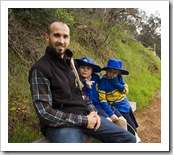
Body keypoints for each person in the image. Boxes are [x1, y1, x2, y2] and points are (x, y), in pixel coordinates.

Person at [28, 21, 136, 143]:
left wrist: (93, 112)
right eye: (56, 35)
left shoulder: (71, 63)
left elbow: (82, 93)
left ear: (69, 39)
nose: (61, 41)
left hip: (86, 115)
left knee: (129, 140)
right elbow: (45, 113)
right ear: (47, 37)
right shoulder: (40, 69)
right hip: (61, 125)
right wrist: (84, 120)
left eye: (65, 36)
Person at [75, 56, 127, 130]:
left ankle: (126, 140)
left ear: (92, 71)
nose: (85, 70)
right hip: (96, 107)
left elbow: (103, 90)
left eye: (88, 68)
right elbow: (88, 101)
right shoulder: (77, 82)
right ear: (78, 68)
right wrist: (88, 88)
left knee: (122, 121)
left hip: (105, 104)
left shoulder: (96, 77)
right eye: (82, 67)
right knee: (110, 123)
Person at [98, 58, 139, 137]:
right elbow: (102, 100)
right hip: (118, 109)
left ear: (118, 73)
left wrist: (116, 83)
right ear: (106, 71)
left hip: (126, 106)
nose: (112, 74)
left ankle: (134, 139)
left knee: (133, 126)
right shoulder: (103, 82)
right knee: (129, 130)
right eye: (110, 71)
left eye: (115, 72)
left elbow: (125, 90)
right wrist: (110, 112)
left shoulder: (119, 79)